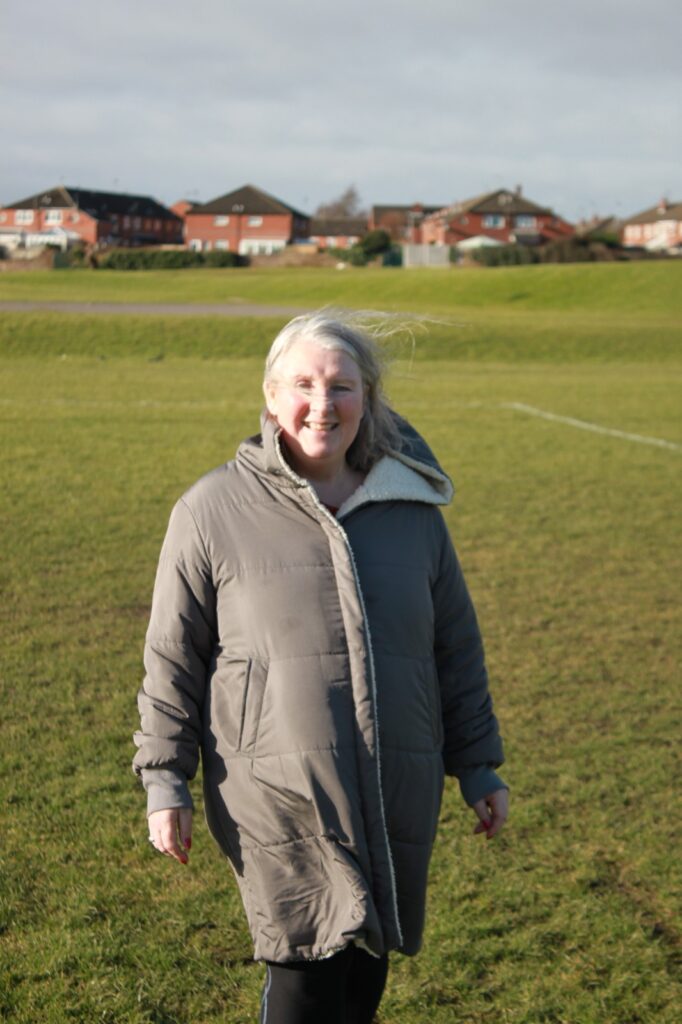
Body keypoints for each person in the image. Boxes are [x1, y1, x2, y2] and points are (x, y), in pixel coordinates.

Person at [133, 310, 509, 1024]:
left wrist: (479, 764)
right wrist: (164, 781)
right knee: (304, 978)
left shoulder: (413, 510)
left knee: (364, 980)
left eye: (341, 386)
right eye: (302, 384)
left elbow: (455, 648)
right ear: (271, 396)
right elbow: (172, 657)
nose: (321, 404)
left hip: (395, 778)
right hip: (275, 790)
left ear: (367, 398)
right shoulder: (211, 509)